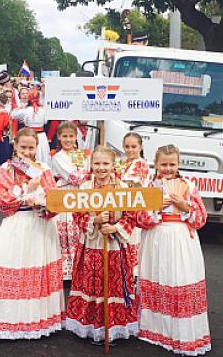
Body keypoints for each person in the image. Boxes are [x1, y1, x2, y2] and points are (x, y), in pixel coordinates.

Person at [0, 127, 64, 339]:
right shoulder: (7, 168)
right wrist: (27, 193)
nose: (27, 152)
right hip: (18, 223)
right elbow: (3, 200)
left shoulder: (42, 168)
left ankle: (37, 319)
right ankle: (6, 320)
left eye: (31, 148)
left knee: (37, 267)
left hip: (40, 224)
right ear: (15, 145)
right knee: (10, 264)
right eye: (23, 147)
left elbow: (53, 197)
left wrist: (44, 204)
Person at [131, 144, 210, 356]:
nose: (168, 168)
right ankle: (155, 329)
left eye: (172, 164)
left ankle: (181, 332)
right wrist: (155, 208)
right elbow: (138, 218)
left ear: (179, 163)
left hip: (181, 237)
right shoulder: (148, 186)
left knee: (178, 278)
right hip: (156, 236)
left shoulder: (189, 186)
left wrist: (184, 206)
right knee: (158, 276)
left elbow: (201, 219)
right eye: (163, 164)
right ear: (155, 164)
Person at [66, 146, 139, 343]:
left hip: (115, 245)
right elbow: (77, 214)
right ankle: (91, 327)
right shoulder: (84, 188)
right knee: (92, 283)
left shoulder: (123, 188)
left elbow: (132, 216)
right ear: (91, 165)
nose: (101, 168)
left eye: (105, 163)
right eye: (97, 163)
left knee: (112, 283)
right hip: (92, 243)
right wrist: (95, 220)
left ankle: (113, 328)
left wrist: (115, 228)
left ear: (113, 164)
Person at [50, 122, 92, 280]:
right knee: (67, 229)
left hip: (80, 194)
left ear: (76, 137)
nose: (68, 140)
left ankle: (79, 267)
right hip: (66, 194)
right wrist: (91, 178)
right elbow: (74, 176)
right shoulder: (58, 157)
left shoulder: (79, 153)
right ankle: (66, 272)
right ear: (59, 137)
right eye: (65, 136)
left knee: (79, 229)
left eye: (71, 136)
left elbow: (85, 170)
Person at [117, 132, 151, 275]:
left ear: (140, 147)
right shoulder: (124, 163)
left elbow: (130, 186)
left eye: (133, 146)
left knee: (132, 243)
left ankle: (133, 277)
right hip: (124, 207)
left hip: (134, 209)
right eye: (127, 146)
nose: (130, 150)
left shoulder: (140, 163)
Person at [10, 87, 49, 164]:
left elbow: (12, 115)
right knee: (42, 157)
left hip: (28, 136)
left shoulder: (25, 111)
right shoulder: (43, 110)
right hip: (41, 137)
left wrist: (20, 107)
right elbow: (45, 122)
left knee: (26, 154)